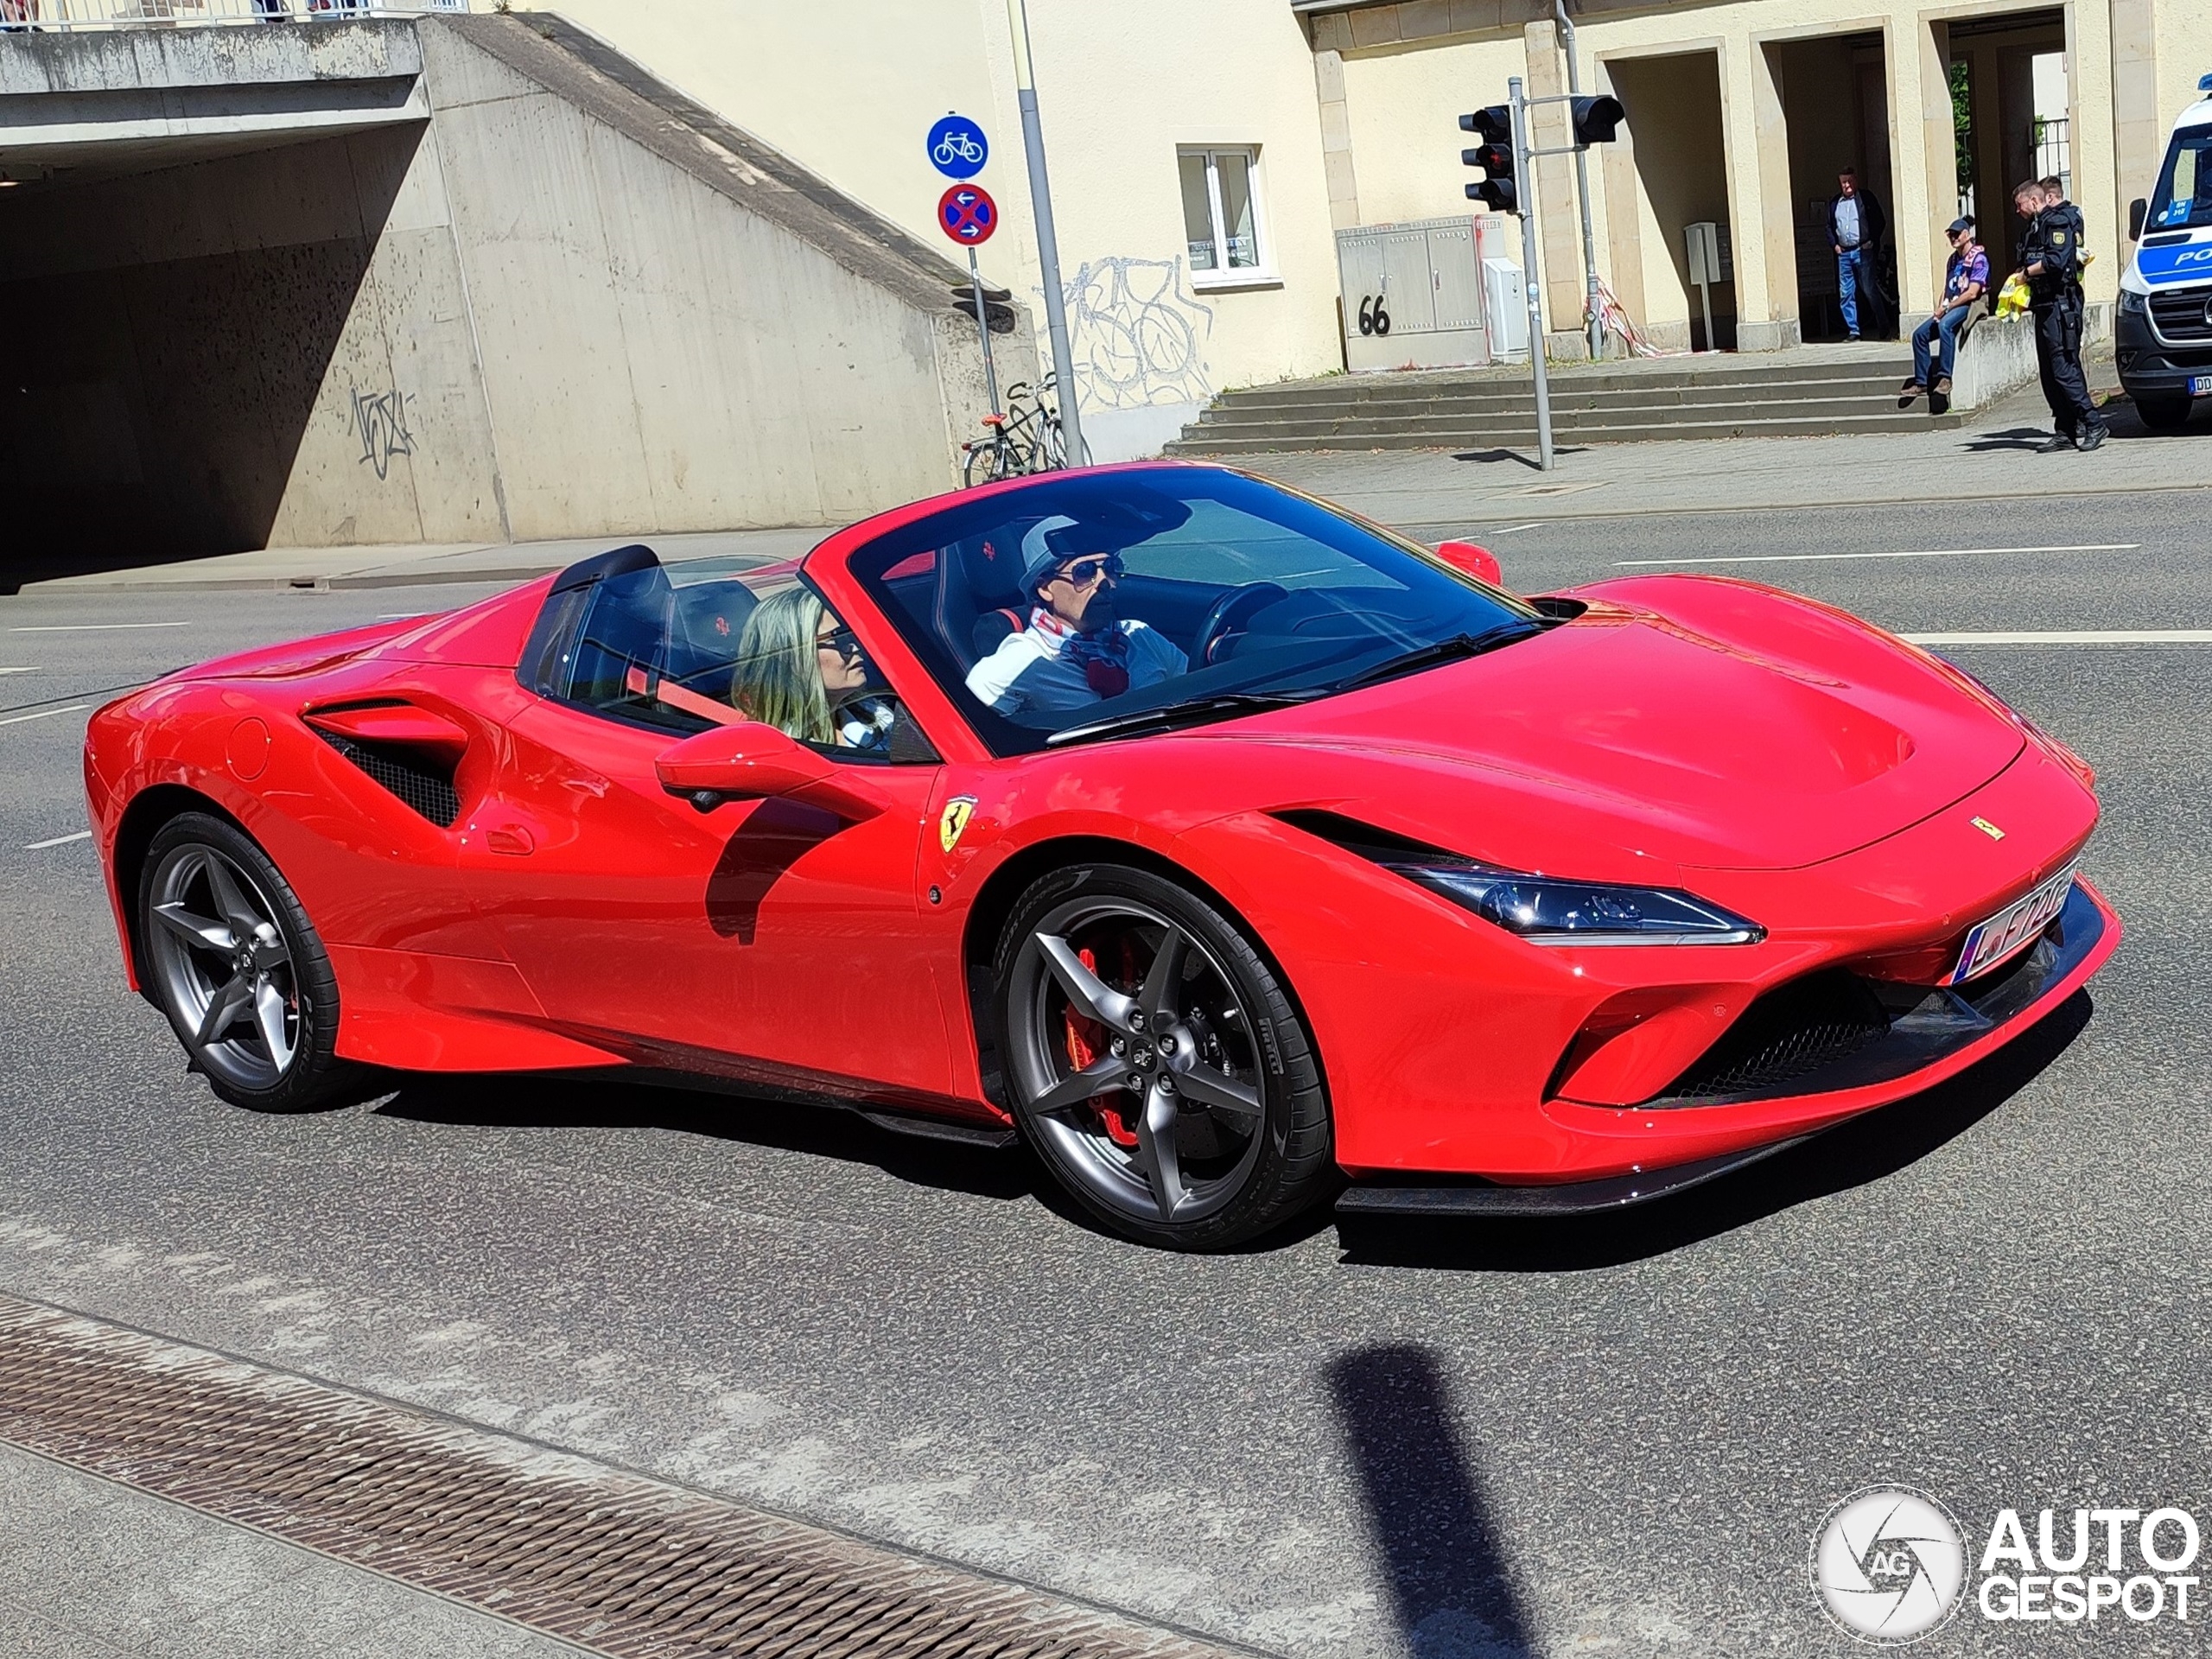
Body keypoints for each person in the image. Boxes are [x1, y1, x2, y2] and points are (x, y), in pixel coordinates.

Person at [963, 515, 1187, 716]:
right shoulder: (1021, 662)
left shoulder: (1140, 636)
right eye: (1085, 571)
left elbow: (1199, 691)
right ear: (1045, 588)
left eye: (1110, 567)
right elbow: (970, 735)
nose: (1104, 582)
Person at [730, 587, 897, 751]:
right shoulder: (782, 750)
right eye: (838, 639)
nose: (854, 647)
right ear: (794, 657)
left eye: (850, 634)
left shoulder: (876, 714)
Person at [2014, 177, 2105, 453]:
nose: (2017, 211)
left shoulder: (2058, 221)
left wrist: (2027, 273)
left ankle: (2093, 423)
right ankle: (2064, 431)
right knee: (2049, 374)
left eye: (2019, 205)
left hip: (2060, 305)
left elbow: (2057, 260)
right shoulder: (2032, 228)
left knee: (2064, 368)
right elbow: (2026, 259)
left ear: (2034, 200)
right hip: (2042, 305)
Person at [1899, 217, 1988, 415]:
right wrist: (1940, 307)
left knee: (1945, 326)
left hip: (1969, 305)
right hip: (1951, 304)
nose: (1953, 238)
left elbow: (1973, 292)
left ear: (1967, 234)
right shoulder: (1953, 259)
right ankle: (1922, 381)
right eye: (1951, 234)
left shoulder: (1978, 258)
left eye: (1957, 234)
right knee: (1919, 335)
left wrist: (1947, 309)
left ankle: (1945, 377)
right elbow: (1946, 288)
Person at [1827, 168, 1889, 341]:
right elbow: (1828, 226)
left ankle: (1883, 324)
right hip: (1844, 253)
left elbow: (1879, 220)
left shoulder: (1866, 198)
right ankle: (1853, 330)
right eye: (1843, 182)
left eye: (1849, 181)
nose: (1846, 185)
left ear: (1855, 180)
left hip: (1864, 251)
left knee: (1869, 289)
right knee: (1846, 292)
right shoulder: (1835, 203)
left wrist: (1873, 240)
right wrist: (1834, 245)